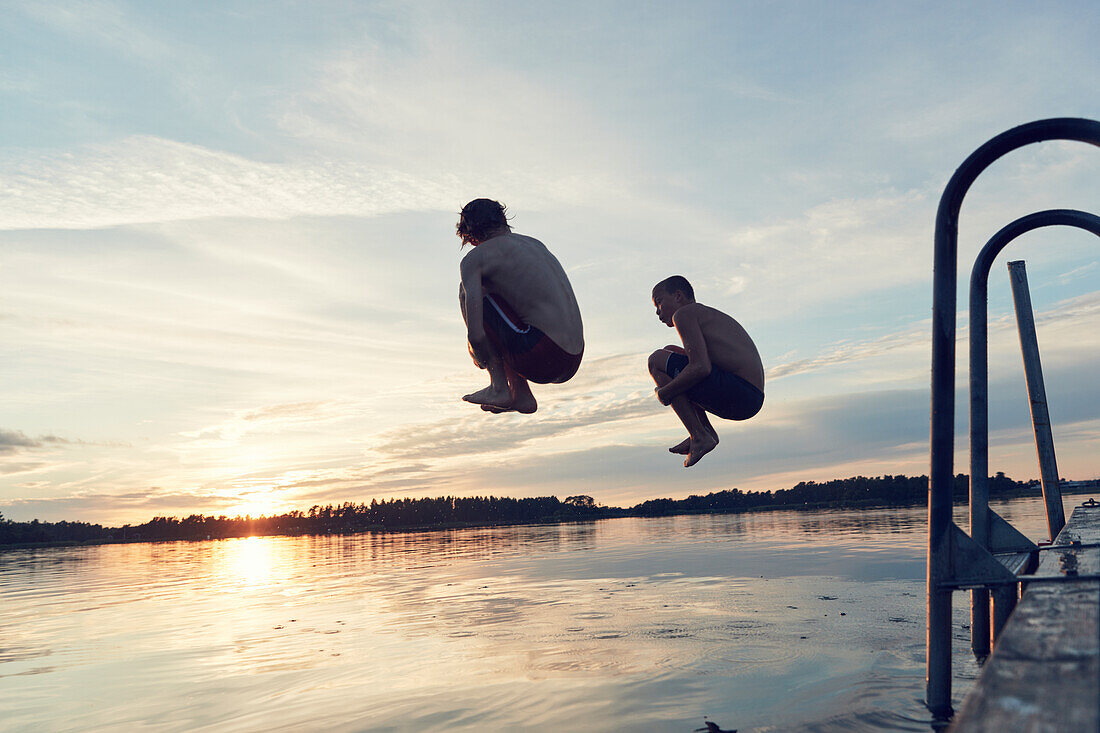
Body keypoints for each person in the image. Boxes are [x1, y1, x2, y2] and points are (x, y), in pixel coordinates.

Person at [456, 199, 584, 413]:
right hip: (574, 357)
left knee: (468, 291)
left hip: (543, 353)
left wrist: (482, 356)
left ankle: (499, 387)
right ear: (503, 221)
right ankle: (520, 395)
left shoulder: (475, 259)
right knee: (506, 305)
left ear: (470, 234)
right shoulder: (534, 244)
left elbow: (477, 335)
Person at [648, 275, 764, 467]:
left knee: (656, 361)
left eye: (659, 303)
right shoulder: (701, 314)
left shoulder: (683, 314)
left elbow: (700, 367)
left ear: (678, 296)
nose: (658, 312)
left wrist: (664, 393)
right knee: (670, 351)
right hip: (750, 396)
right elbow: (703, 363)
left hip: (740, 393)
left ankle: (699, 434)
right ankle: (703, 432)